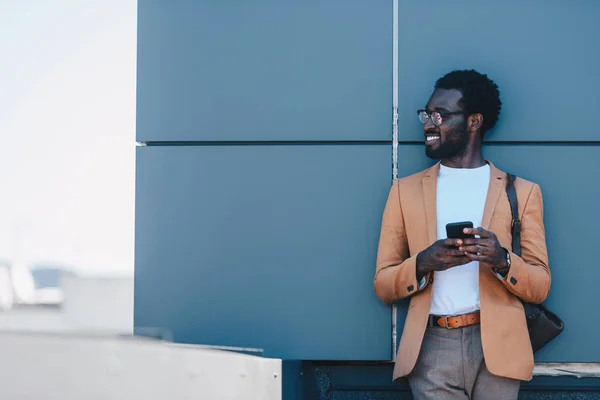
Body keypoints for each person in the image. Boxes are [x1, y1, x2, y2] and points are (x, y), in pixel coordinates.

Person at [373, 69, 551, 399]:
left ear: (473, 121)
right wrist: (424, 263)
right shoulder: (404, 192)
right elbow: (383, 283)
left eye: (440, 114)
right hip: (432, 348)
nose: (429, 122)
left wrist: (502, 260)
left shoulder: (522, 192)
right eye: (427, 113)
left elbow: (540, 285)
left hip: (498, 345)